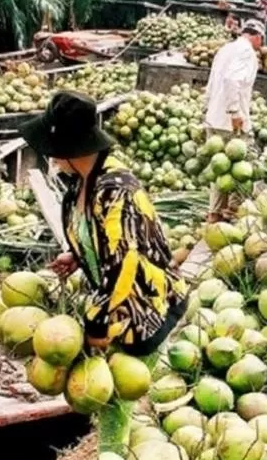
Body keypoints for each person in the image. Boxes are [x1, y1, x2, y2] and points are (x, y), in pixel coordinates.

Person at [18, 91, 188, 355]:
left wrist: (96, 324)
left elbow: (124, 264)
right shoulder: (82, 179)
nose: (50, 158)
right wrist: (78, 255)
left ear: (67, 148)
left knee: (127, 386)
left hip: (148, 310)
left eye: (52, 150)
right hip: (118, 305)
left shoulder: (115, 190)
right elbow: (103, 236)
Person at [203, 19, 264, 222]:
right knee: (241, 168)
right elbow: (231, 80)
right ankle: (234, 211)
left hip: (214, 117)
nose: (260, 45)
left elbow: (212, 82)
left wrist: (209, 108)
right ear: (256, 36)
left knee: (219, 167)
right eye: (261, 40)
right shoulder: (247, 52)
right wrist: (235, 112)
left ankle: (214, 212)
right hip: (231, 120)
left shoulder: (225, 49)